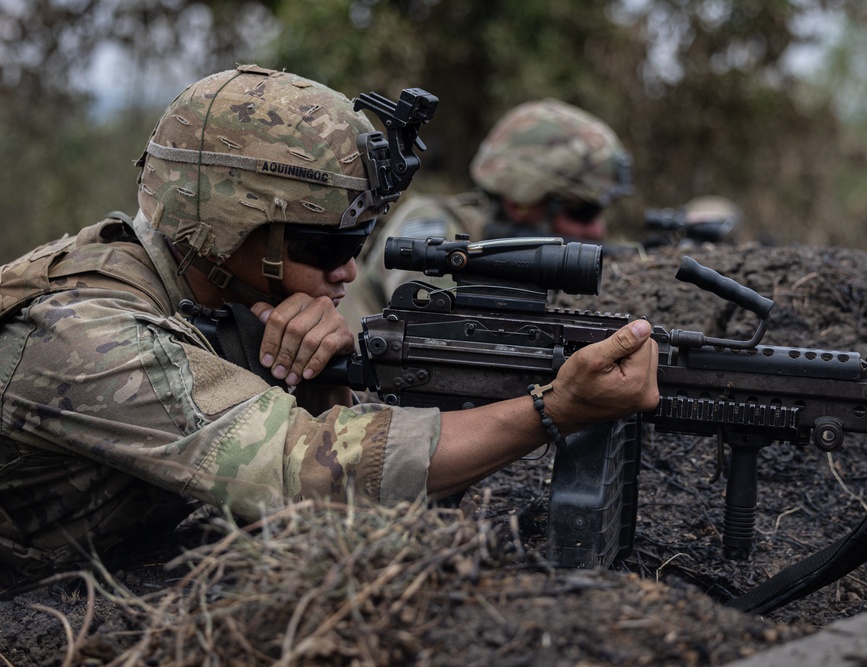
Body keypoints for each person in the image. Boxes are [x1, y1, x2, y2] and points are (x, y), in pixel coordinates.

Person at [0, 66, 659, 586]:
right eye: (327, 247)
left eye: (361, 241)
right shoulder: (84, 335)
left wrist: (320, 384)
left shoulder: (217, 298)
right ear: (233, 227)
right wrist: (554, 408)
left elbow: (335, 478)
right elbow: (313, 474)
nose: (349, 271)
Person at [340, 98, 632, 328]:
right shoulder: (431, 222)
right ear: (523, 200)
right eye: (582, 212)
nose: (597, 230)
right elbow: (434, 322)